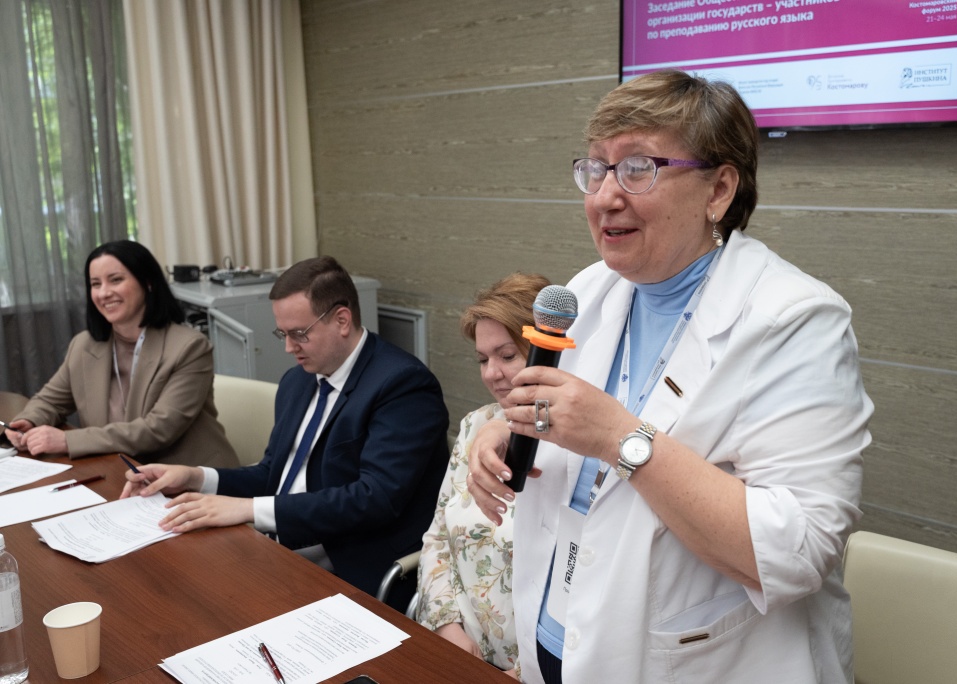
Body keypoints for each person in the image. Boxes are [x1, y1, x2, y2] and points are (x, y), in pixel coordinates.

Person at [466, 70, 874, 683]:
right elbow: (573, 427)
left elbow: (800, 551)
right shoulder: (590, 290)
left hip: (699, 662)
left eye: (638, 168)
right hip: (559, 638)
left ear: (719, 190)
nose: (605, 197)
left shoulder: (795, 319)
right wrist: (507, 427)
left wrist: (619, 438)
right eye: (597, 168)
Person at [121, 256, 450, 610]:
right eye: (283, 334)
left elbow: (373, 498)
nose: (288, 348)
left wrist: (248, 509)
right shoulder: (298, 381)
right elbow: (272, 474)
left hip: (353, 568)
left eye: (299, 334)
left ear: (342, 320)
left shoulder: (402, 385)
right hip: (281, 550)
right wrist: (195, 478)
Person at [417, 272, 550, 676]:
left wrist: (525, 672)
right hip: (459, 653)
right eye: (483, 359)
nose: (491, 373)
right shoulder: (476, 425)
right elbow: (437, 537)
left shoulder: (578, 448)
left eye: (507, 356)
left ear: (548, 354)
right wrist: (447, 627)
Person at [4, 240, 238, 468]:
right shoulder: (84, 345)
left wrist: (68, 440)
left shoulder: (190, 347)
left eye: (115, 280)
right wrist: (29, 420)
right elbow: (50, 401)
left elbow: (158, 429)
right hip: (118, 469)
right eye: (95, 284)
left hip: (188, 476)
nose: (104, 293)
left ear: (148, 282)